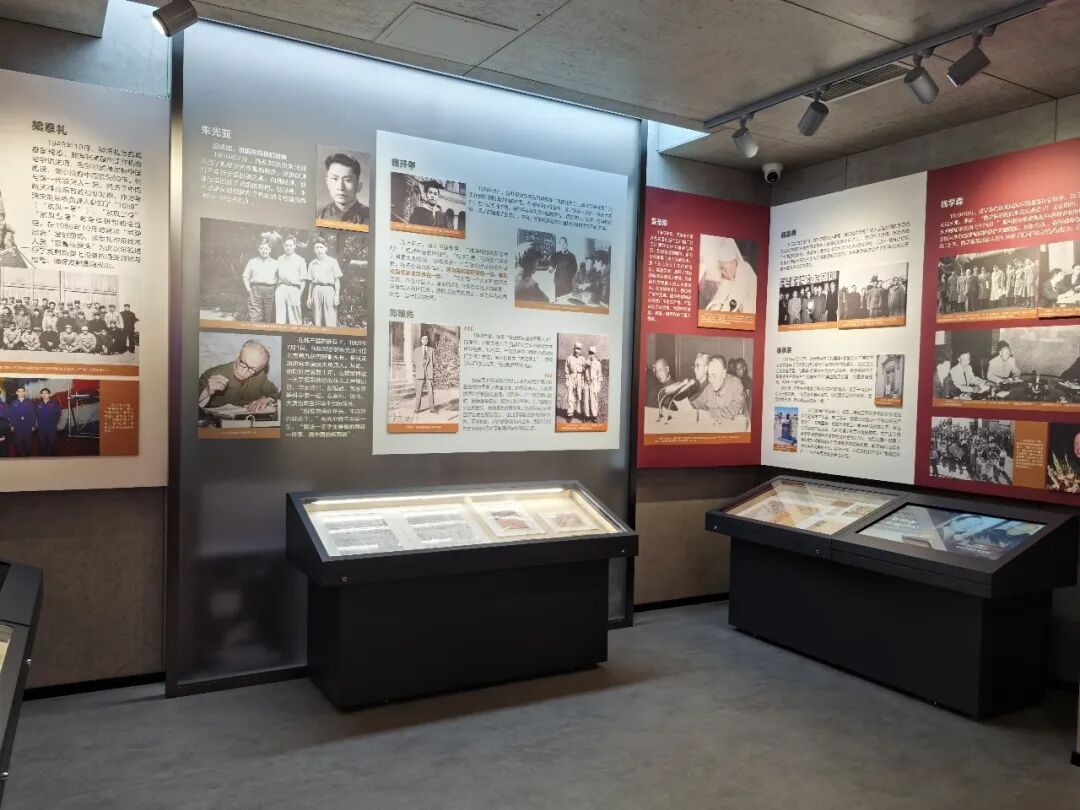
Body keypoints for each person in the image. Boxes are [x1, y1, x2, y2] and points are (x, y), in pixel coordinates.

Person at [198, 339, 279, 412]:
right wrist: (207, 391)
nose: (244, 372)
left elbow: (275, 393)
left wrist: (265, 399)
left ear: (260, 369)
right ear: (238, 355)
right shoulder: (213, 374)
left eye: (252, 369)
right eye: (243, 363)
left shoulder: (260, 376)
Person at [703, 238, 756, 313]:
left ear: (734, 263)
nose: (723, 273)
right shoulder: (730, 274)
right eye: (721, 268)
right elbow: (720, 295)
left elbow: (736, 298)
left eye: (724, 268)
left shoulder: (745, 271)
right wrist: (714, 306)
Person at [317, 153, 369, 227]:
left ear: (358, 186)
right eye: (335, 179)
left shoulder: (371, 216)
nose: (340, 187)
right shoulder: (318, 215)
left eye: (347, 180)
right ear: (327, 182)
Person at [690, 356, 745, 423]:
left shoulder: (736, 384)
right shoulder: (710, 386)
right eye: (709, 376)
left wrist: (707, 413)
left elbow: (733, 410)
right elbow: (699, 401)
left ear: (723, 373)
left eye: (714, 375)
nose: (711, 380)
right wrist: (689, 407)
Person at [306, 237, 343, 327]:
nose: (319, 250)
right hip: (316, 291)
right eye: (316, 248)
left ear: (326, 249)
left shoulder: (332, 261)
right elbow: (311, 283)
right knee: (317, 320)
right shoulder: (312, 264)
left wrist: (336, 296)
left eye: (321, 247)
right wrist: (309, 297)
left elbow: (337, 280)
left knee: (330, 320)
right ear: (314, 250)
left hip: (329, 290)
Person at [242, 240, 279, 323]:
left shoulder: (275, 263)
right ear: (258, 249)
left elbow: (280, 278)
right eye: (261, 248)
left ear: (270, 250)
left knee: (268, 316)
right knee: (254, 316)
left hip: (270, 290)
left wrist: (276, 290)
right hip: (255, 289)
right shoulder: (252, 262)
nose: (263, 251)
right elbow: (245, 276)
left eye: (266, 249)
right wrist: (249, 289)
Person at [275, 235, 308, 325]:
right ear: (283, 246)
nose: (288, 248)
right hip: (281, 288)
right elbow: (276, 275)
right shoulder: (280, 259)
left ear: (294, 246)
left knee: (295, 319)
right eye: (286, 245)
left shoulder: (300, 260)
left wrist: (299, 294)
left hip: (294, 289)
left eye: (290, 245)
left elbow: (303, 280)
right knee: (280, 318)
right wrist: (277, 290)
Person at [9, 384, 36, 457]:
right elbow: (12, 414)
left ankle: (28, 454)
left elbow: (32, 414)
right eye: (19, 391)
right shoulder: (13, 402)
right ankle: (19, 455)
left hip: (27, 425)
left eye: (22, 391)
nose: (21, 393)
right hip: (17, 425)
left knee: (28, 441)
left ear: (24, 392)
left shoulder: (29, 402)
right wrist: (12, 425)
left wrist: (33, 425)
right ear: (16, 392)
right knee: (18, 441)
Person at [563, 342, 587, 421]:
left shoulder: (583, 359)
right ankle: (570, 413)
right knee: (570, 396)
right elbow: (566, 370)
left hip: (580, 378)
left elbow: (585, 371)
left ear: (581, 350)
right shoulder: (569, 358)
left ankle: (581, 413)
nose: (577, 350)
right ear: (574, 349)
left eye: (579, 349)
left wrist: (583, 381)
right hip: (571, 377)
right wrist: (567, 380)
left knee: (580, 397)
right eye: (576, 348)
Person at [413, 333, 435, 414]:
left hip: (429, 373)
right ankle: (417, 409)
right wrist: (421, 364)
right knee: (418, 391)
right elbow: (414, 361)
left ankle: (432, 409)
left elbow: (434, 361)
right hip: (420, 373)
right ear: (421, 340)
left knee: (431, 391)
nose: (425, 340)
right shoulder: (416, 350)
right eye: (423, 339)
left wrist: (430, 368)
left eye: (426, 339)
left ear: (427, 341)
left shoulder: (431, 350)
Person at [36, 387, 62, 456]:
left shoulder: (55, 404)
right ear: (41, 395)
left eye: (46, 393)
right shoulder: (38, 405)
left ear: (49, 394)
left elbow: (58, 414)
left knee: (53, 444)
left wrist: (53, 422)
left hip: (51, 428)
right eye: (43, 393)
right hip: (41, 429)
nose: (44, 395)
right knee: (42, 445)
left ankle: (53, 458)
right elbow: (36, 415)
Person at [583, 346, 603, 422]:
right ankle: (587, 416)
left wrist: (599, 385)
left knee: (593, 399)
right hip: (586, 382)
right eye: (590, 353)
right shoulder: (586, 362)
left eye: (592, 353)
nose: (591, 354)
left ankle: (594, 416)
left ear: (594, 354)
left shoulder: (598, 363)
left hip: (594, 383)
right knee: (586, 399)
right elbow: (583, 373)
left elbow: (599, 375)